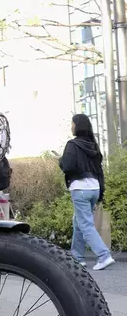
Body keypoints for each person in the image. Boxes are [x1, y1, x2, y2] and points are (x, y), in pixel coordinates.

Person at [59, 114, 114, 271]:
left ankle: (104, 256)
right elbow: (99, 172)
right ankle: (77, 257)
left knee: (85, 224)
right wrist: (100, 195)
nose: (71, 126)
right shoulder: (93, 146)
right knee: (79, 222)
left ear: (77, 126)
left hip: (80, 189)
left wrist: (60, 161)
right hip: (94, 188)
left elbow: (67, 166)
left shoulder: (72, 144)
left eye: (72, 123)